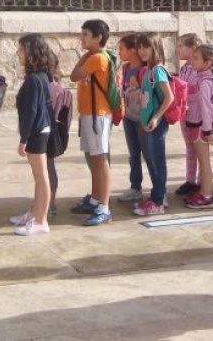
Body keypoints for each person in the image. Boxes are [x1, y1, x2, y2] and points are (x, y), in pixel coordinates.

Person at [68, 19, 116, 226]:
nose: (82, 38)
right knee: (94, 159)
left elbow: (74, 75)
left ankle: (104, 207)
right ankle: (96, 199)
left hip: (98, 114)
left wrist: (85, 55)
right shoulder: (93, 56)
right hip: (90, 114)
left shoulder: (97, 58)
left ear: (98, 38)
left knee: (99, 159)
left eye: (86, 35)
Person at [12, 33, 57, 236]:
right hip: (41, 129)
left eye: (21, 50)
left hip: (37, 132)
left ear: (30, 53)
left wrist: (24, 139)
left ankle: (41, 220)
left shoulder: (33, 80)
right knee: (40, 176)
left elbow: (30, 111)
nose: (18, 54)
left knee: (41, 177)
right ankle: (35, 214)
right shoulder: (42, 76)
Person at [132, 32, 175, 216]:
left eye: (146, 47)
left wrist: (156, 117)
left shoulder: (157, 70)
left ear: (155, 48)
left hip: (156, 125)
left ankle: (158, 201)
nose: (142, 51)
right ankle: (157, 196)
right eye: (140, 47)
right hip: (148, 124)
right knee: (152, 161)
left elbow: (169, 97)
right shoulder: (148, 70)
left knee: (158, 163)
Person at [183, 43, 213, 209]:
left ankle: (207, 195)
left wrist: (207, 130)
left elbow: (207, 108)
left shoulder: (205, 82)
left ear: (207, 63)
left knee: (204, 161)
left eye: (196, 58)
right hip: (196, 125)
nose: (192, 61)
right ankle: (203, 191)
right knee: (202, 161)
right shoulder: (200, 79)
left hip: (201, 126)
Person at [114, 33, 147, 204]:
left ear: (132, 50)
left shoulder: (143, 70)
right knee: (133, 154)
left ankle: (159, 190)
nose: (119, 52)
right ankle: (135, 187)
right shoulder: (126, 68)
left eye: (121, 49)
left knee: (149, 154)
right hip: (129, 117)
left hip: (143, 118)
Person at [173, 33, 205, 198]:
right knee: (190, 148)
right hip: (184, 115)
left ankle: (201, 181)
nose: (177, 49)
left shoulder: (201, 69)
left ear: (192, 48)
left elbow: (201, 90)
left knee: (200, 149)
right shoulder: (185, 67)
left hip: (197, 116)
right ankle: (190, 180)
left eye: (181, 45)